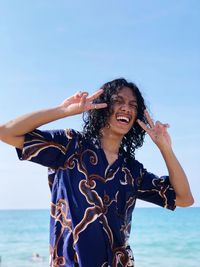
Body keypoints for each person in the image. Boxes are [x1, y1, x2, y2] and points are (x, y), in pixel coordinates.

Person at [0, 78, 194, 267]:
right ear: (102, 107)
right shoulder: (70, 146)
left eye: (132, 105)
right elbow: (7, 132)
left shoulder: (133, 171)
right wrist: (62, 111)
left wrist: (165, 149)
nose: (126, 107)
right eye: (118, 101)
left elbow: (184, 199)